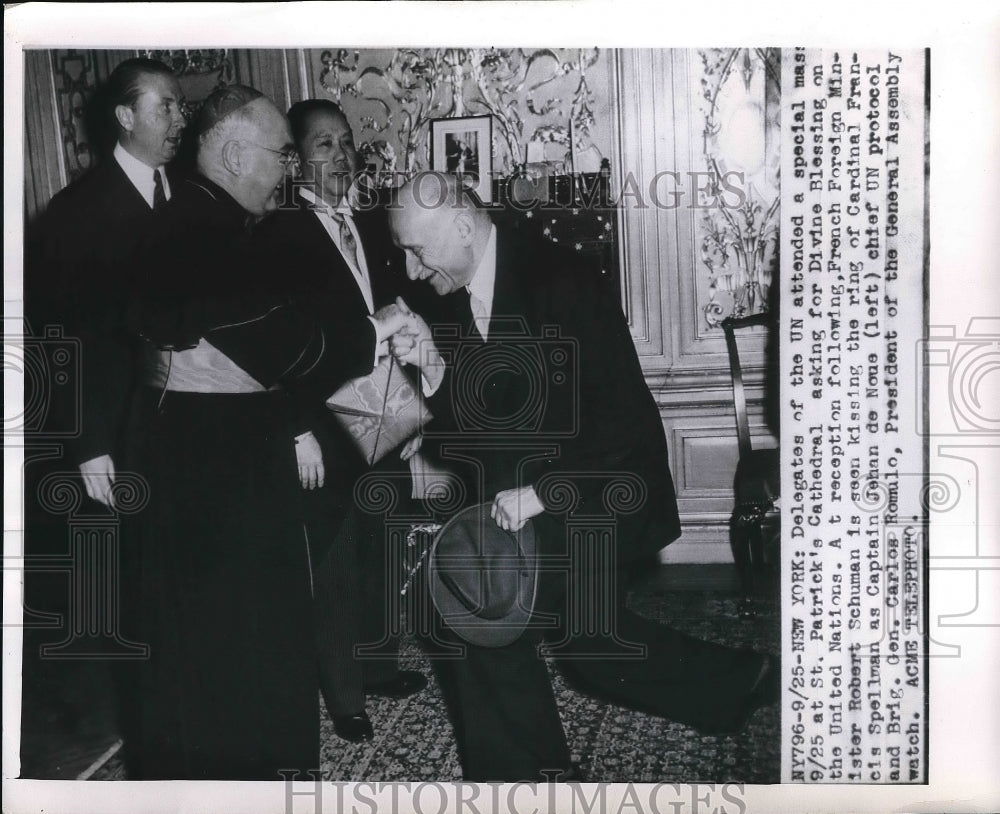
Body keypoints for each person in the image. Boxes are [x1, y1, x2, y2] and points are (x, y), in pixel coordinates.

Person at [387, 173, 779, 781]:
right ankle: (743, 680)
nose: (411, 272)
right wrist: (432, 369)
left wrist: (541, 494)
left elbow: (622, 425)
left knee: (475, 615)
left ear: (463, 227)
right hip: (538, 498)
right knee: (595, 647)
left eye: (418, 250)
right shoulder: (452, 293)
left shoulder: (559, 282)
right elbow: (489, 429)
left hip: (603, 490)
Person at [121, 85, 413, 779]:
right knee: (246, 643)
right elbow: (291, 350)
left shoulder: (193, 218)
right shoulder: (208, 231)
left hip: (197, 452)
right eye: (283, 153)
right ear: (231, 152)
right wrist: (379, 330)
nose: (288, 169)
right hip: (219, 466)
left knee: (210, 646)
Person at [258, 98, 428, 743]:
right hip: (323, 421)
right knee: (334, 560)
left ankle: (379, 666)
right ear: (296, 159)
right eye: (323, 145)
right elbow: (281, 348)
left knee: (384, 544)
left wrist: (409, 416)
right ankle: (345, 693)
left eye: (346, 142)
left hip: (384, 403)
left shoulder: (373, 226)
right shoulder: (277, 237)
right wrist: (297, 429)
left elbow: (397, 314)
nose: (340, 155)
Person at [29, 56, 187, 507]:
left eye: (180, 108)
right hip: (120, 431)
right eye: (166, 108)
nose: (179, 120)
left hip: (197, 422)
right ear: (125, 116)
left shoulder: (194, 194)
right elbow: (60, 335)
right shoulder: (74, 212)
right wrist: (89, 443)